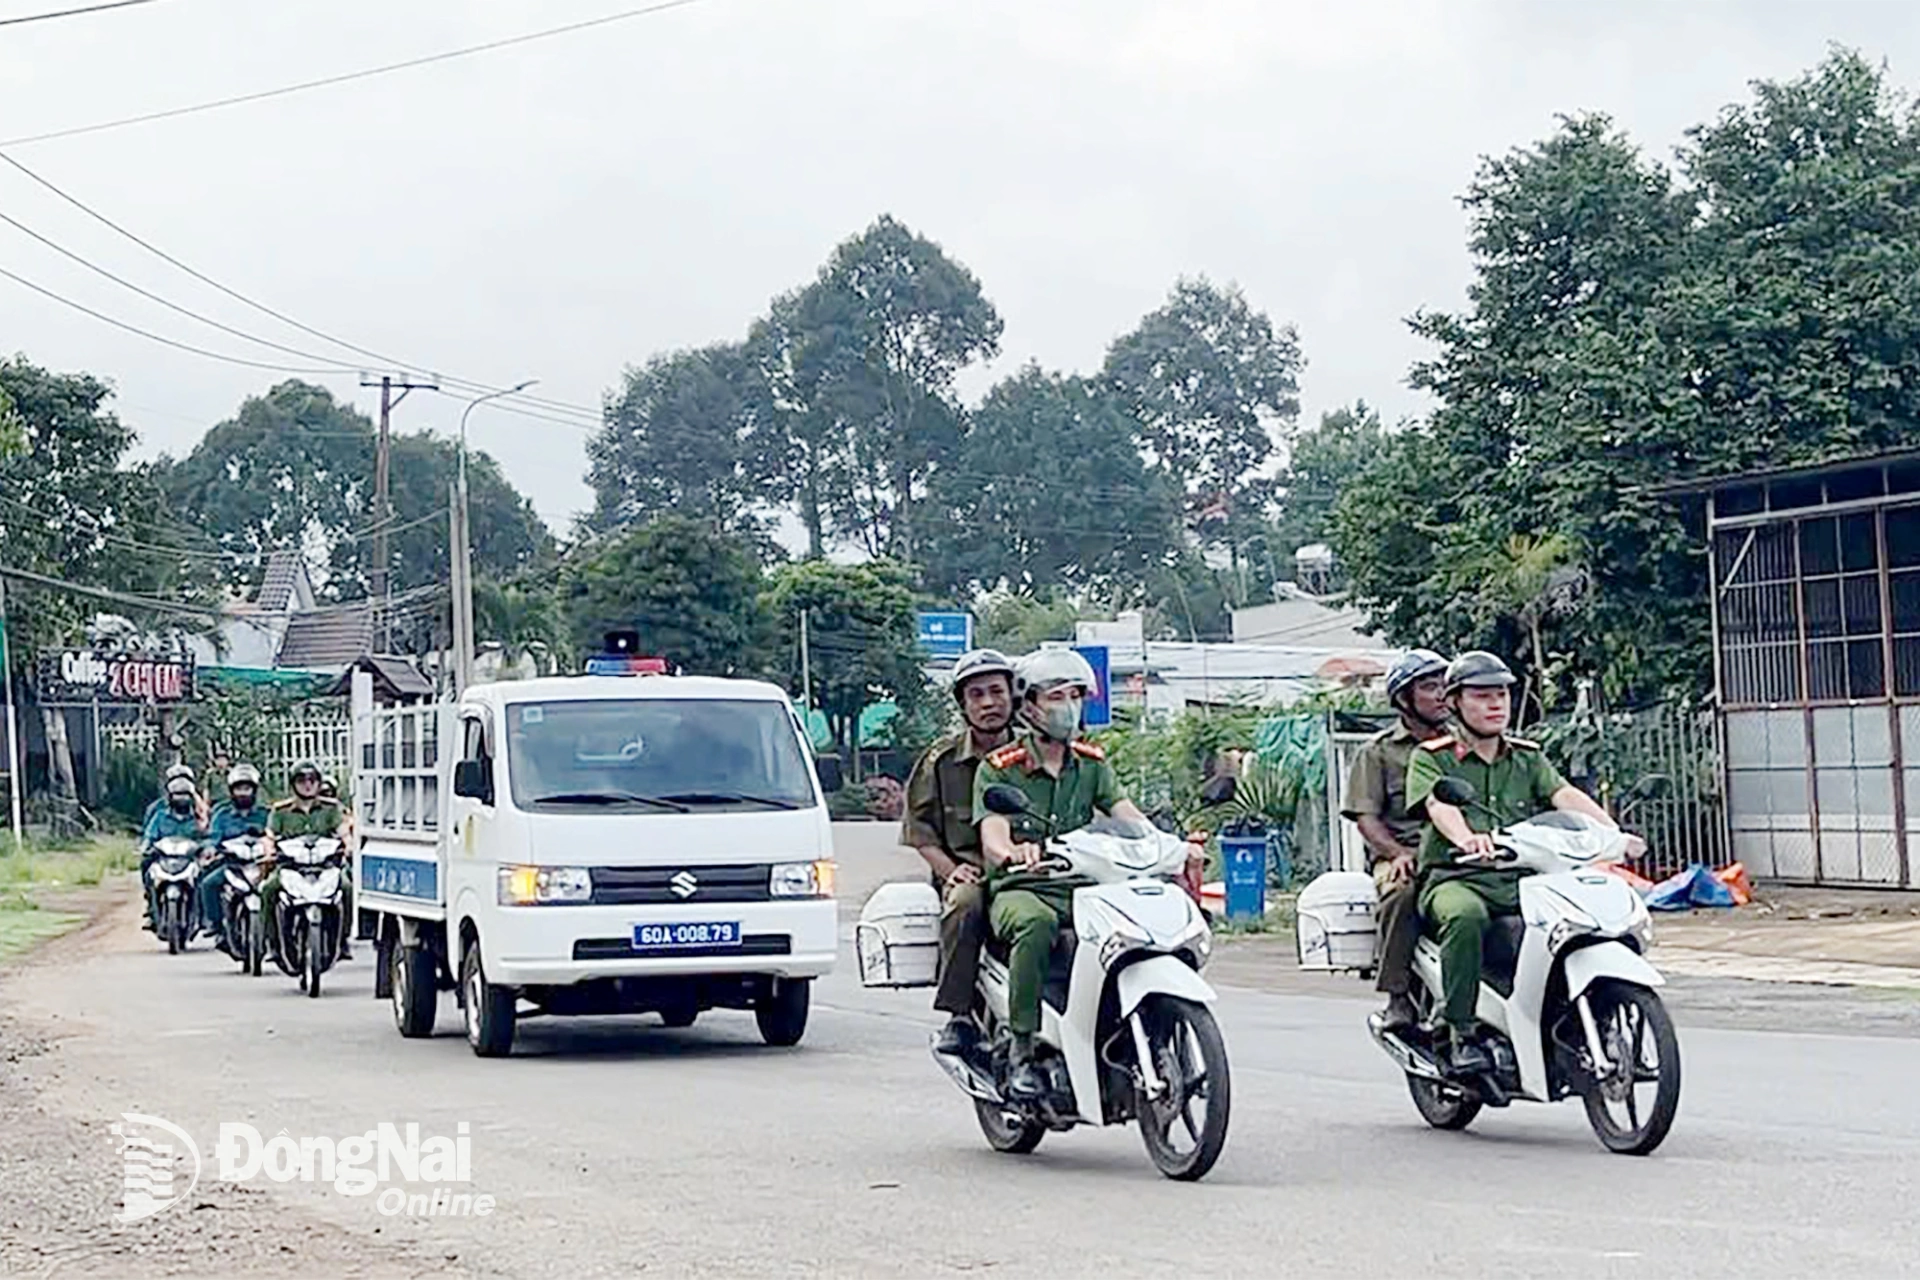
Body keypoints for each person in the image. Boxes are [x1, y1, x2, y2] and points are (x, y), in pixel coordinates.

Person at [972, 648, 1201, 1101]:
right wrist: (1015, 853)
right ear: (1029, 704)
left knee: (1134, 927)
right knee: (1036, 927)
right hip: (1024, 889)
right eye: (1056, 695)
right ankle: (1022, 1049)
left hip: (1084, 887)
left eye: (1076, 695)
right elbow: (992, 839)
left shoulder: (1092, 764)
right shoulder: (999, 769)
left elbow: (1131, 818)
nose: (1068, 706)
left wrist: (1174, 848)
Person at [1403, 651, 1639, 1074]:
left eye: (1502, 695)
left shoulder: (1528, 757)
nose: (1496, 705)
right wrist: (1467, 840)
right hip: (1458, 876)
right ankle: (1461, 1033)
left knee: (1580, 919)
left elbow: (1563, 795)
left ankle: (1571, 1018)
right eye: (1481, 696)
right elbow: (1440, 804)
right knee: (1465, 917)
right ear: (1455, 702)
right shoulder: (1432, 756)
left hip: (1524, 879)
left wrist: (1612, 833)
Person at [900, 648, 1018, 1055]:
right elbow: (920, 832)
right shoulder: (941, 760)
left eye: (997, 692)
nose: (989, 703)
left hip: (1031, 872)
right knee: (966, 905)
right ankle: (960, 1015)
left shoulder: (1037, 753)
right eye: (977, 694)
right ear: (964, 705)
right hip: (970, 873)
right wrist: (951, 870)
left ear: (1014, 696)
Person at [1342, 648, 1450, 1031]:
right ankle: (1397, 995)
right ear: (1404, 698)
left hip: (1462, 851)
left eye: (1445, 685)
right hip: (1404, 853)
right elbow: (1366, 818)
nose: (1441, 694)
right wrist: (1396, 852)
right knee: (1401, 894)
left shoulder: (1465, 743)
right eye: (1429, 686)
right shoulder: (1378, 752)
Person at [264, 760, 353, 960]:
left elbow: (343, 832)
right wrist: (269, 851)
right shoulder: (280, 811)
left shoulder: (331, 808)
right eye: (302, 780)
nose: (307, 784)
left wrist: (349, 845)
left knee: (346, 887)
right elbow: (270, 836)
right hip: (291, 868)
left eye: (312, 780)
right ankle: (273, 943)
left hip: (325, 867)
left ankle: (343, 940)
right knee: (268, 889)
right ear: (293, 784)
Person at [199, 763, 271, 954]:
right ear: (231, 791)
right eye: (239, 788)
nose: (243, 793)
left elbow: (275, 836)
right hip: (232, 864)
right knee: (208, 883)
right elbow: (213, 837)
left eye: (247, 788)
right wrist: (210, 850)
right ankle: (216, 925)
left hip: (261, 865)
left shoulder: (266, 813)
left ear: (254, 790)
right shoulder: (221, 814)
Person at [140, 774, 206, 931]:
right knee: (146, 867)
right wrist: (146, 847)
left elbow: (207, 837)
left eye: (184, 795)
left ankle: (202, 915)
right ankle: (151, 907)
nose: (181, 799)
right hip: (164, 858)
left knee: (204, 877)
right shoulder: (160, 816)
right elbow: (150, 835)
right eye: (177, 795)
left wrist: (205, 848)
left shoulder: (198, 819)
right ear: (170, 797)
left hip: (189, 859)